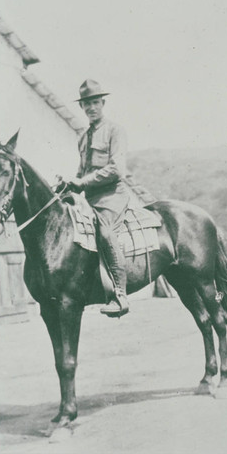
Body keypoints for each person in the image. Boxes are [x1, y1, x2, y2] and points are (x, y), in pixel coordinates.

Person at [64, 79, 130, 317]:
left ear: (102, 103)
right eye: (86, 104)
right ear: (82, 107)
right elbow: (82, 173)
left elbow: (116, 169)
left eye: (95, 102)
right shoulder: (83, 138)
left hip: (113, 195)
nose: (91, 108)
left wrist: (82, 182)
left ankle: (119, 295)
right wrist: (68, 186)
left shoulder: (115, 130)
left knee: (105, 231)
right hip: (91, 199)